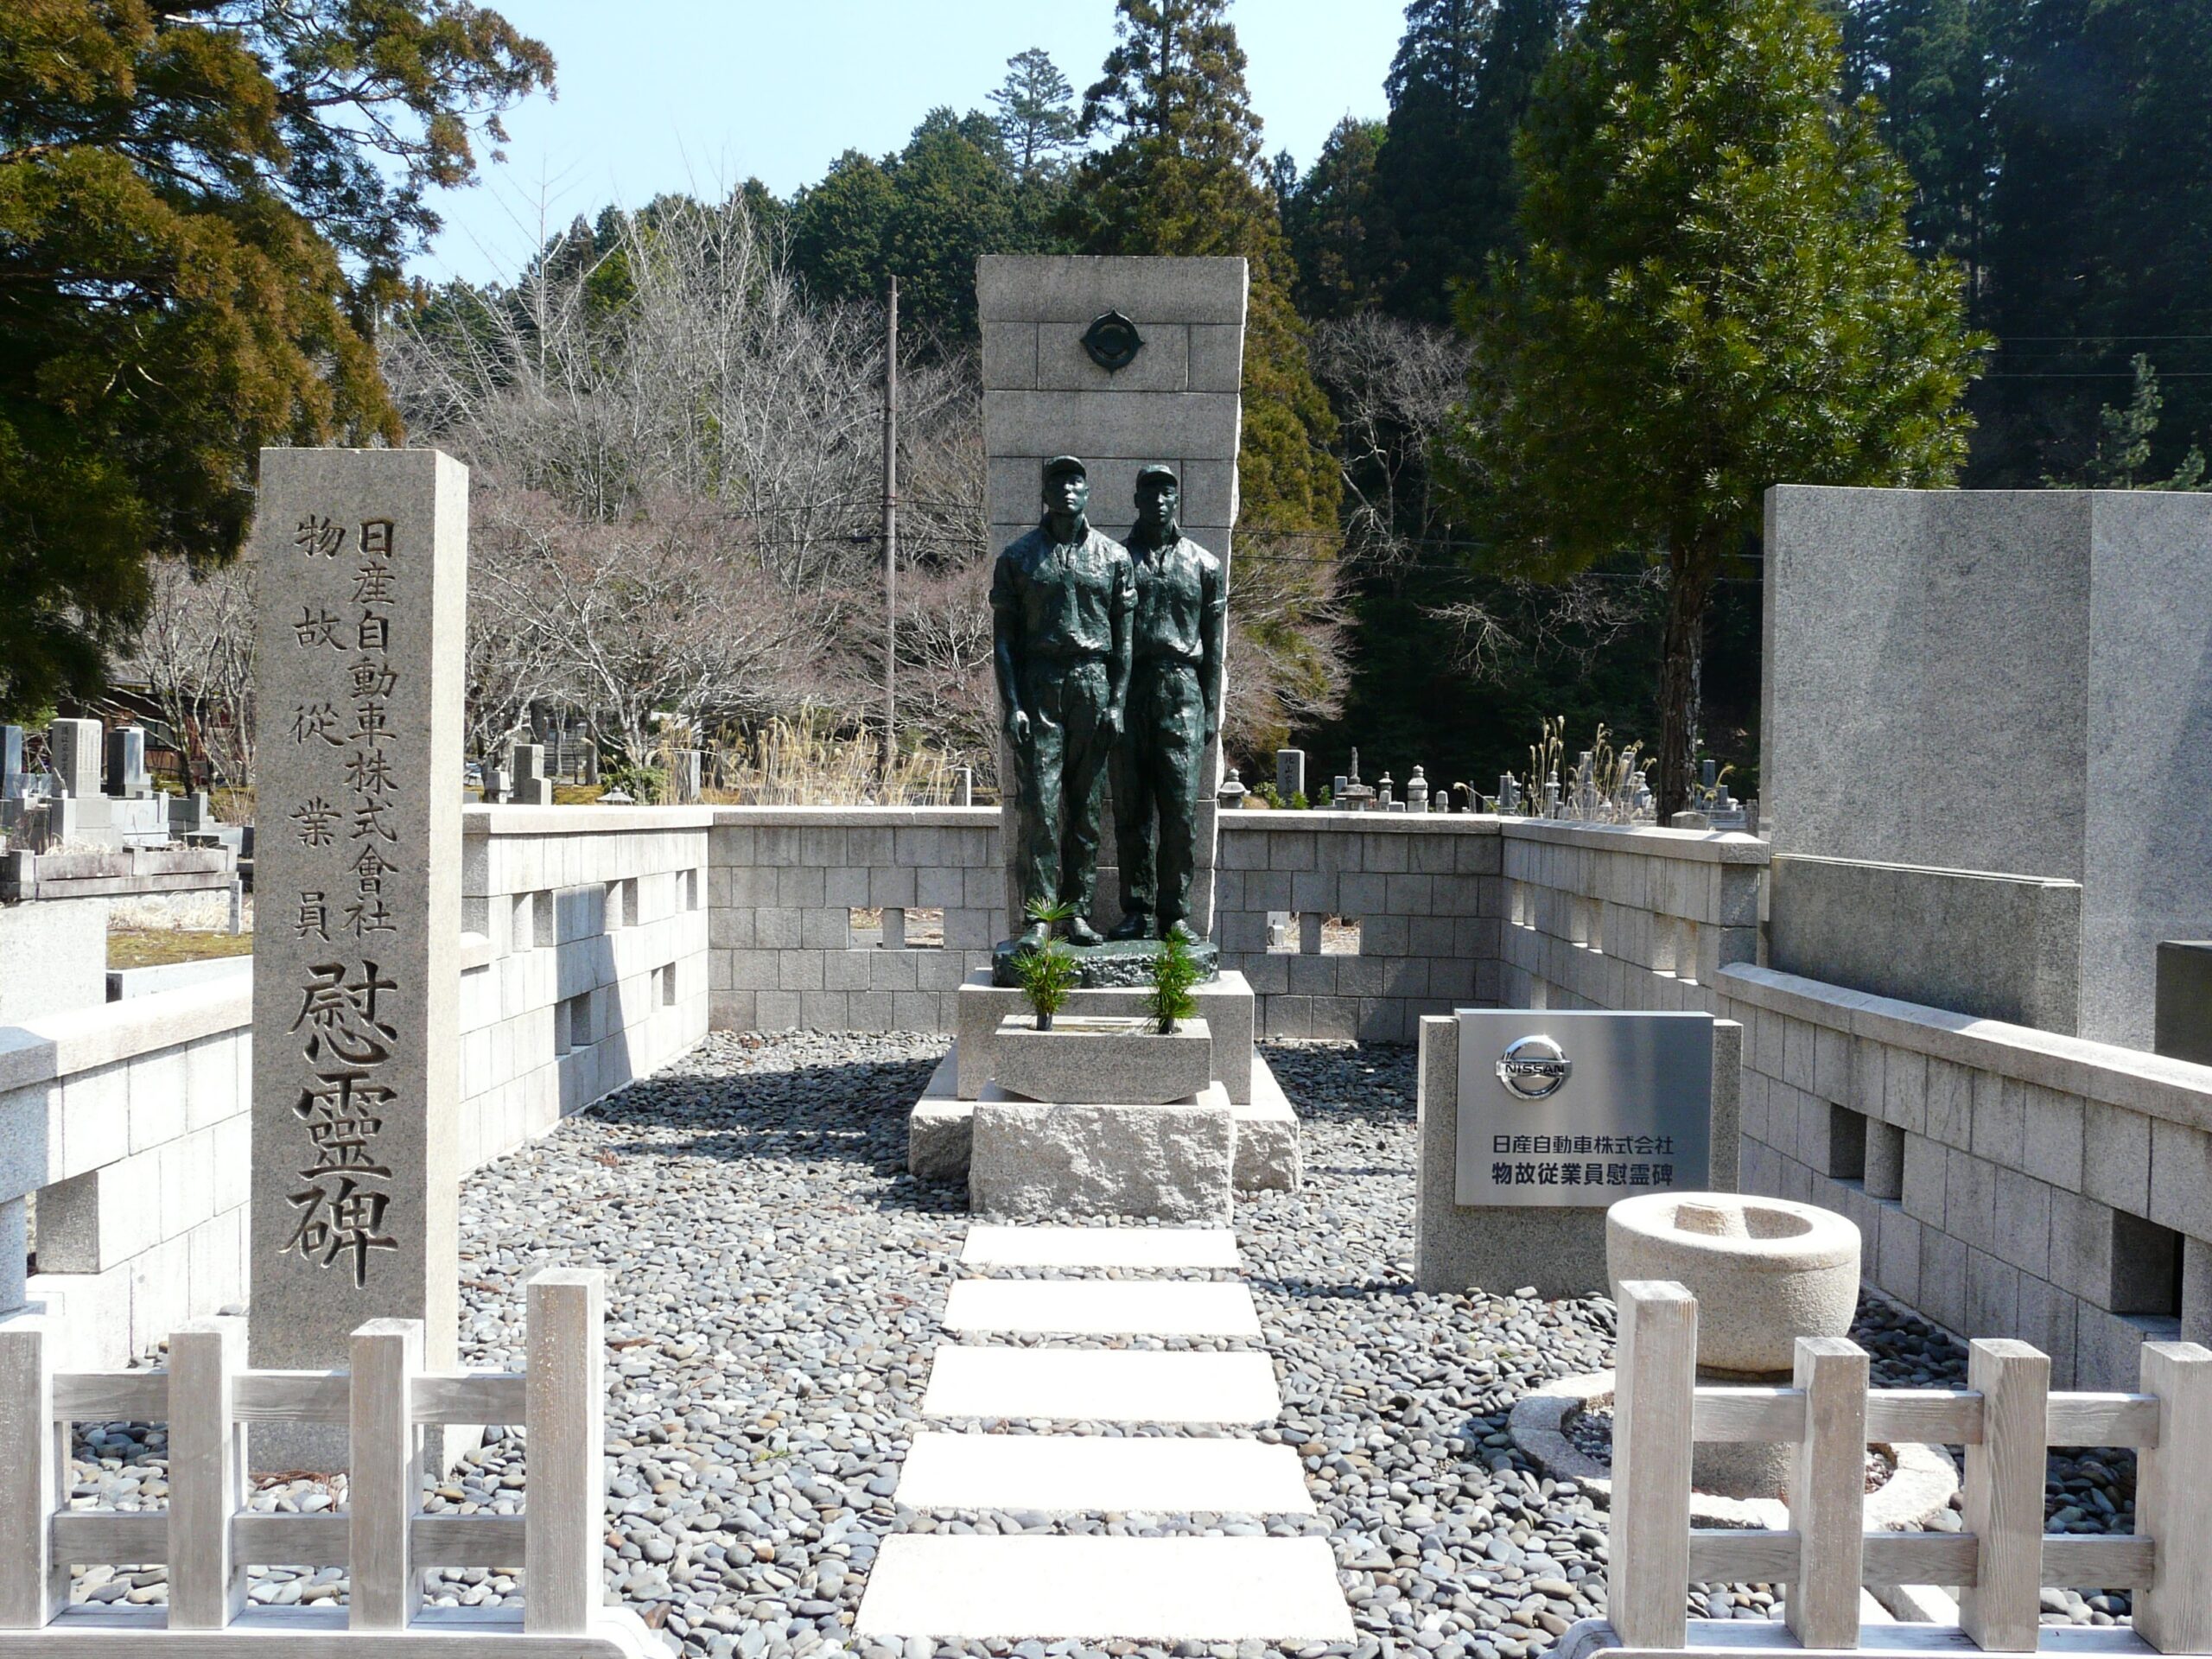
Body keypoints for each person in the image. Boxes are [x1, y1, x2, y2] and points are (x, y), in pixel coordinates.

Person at [991, 456, 1134, 949]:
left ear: (1089, 492)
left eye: (1076, 481)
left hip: (1093, 685)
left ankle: (1076, 914)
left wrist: (1117, 701)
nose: (1068, 489)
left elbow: (1125, 641)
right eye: (1058, 481)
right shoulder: (1019, 557)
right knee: (1040, 809)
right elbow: (1004, 641)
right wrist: (1013, 705)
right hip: (1041, 682)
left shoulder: (1114, 558)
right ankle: (1038, 917)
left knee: (1087, 811)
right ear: (1045, 495)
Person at [1109, 465, 1225, 944]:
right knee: (1131, 810)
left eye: (1168, 491)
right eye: (1151, 491)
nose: (1160, 500)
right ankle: (1136, 908)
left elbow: (1214, 644)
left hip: (1182, 691)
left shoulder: (1204, 564)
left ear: (1178, 499)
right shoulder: (1114, 559)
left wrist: (1211, 708)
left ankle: (1175, 913)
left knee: (1179, 812)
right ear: (1135, 498)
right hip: (1131, 687)